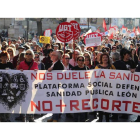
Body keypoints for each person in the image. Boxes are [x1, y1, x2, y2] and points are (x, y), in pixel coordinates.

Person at [17, 49, 38, 122]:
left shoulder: (35, 63)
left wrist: (36, 72)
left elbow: (37, 75)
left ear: (32, 55)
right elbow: (17, 73)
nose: (28, 55)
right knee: (23, 101)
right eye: (27, 54)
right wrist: (20, 71)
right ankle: (23, 116)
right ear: (25, 55)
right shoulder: (21, 63)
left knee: (30, 101)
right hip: (23, 86)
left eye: (30, 54)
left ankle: (31, 117)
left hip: (31, 86)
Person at [95, 53, 116, 122]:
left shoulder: (112, 67)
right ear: (101, 59)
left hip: (108, 89)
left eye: (106, 57)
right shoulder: (97, 67)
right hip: (100, 89)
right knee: (100, 105)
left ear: (108, 58)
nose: (105, 59)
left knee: (107, 105)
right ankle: (100, 119)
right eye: (103, 57)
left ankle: (107, 120)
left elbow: (116, 76)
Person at [47, 51, 64, 122]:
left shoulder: (59, 64)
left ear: (56, 57)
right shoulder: (53, 63)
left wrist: (52, 70)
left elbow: (58, 74)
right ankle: (54, 116)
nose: (51, 56)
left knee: (56, 102)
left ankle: (55, 118)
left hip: (57, 86)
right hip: (53, 86)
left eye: (52, 55)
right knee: (54, 102)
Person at [72, 55, 89, 122]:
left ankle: (83, 120)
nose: (81, 61)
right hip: (76, 91)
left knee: (83, 107)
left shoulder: (86, 68)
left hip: (84, 91)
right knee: (76, 106)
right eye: (79, 60)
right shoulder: (74, 69)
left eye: (82, 60)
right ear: (77, 61)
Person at [0, 51, 14, 122]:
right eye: (2, 57)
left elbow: (15, 73)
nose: (4, 58)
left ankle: (8, 117)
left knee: (8, 102)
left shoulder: (10, 64)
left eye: (5, 57)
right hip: (1, 87)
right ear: (0, 57)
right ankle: (2, 117)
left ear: (7, 57)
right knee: (1, 102)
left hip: (9, 86)